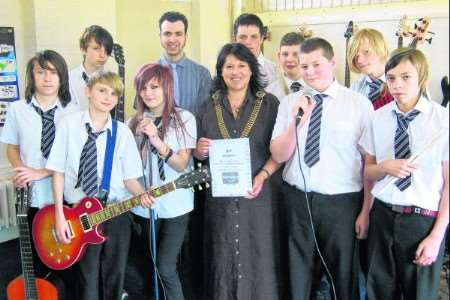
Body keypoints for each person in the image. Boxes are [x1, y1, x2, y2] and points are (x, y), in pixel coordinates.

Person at [270, 37, 374, 300]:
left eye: (316, 64)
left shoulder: (358, 104)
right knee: (297, 274)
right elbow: (279, 154)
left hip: (341, 204)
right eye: (304, 66)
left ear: (332, 63)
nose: (310, 72)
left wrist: (365, 210)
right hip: (297, 199)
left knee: (343, 276)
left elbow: (368, 163)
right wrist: (297, 121)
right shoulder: (290, 103)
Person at [46, 71, 153, 300]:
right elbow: (58, 172)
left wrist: (143, 195)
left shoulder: (122, 132)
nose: (108, 97)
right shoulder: (68, 126)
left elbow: (130, 179)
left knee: (116, 274)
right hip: (77, 214)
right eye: (102, 90)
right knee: (87, 277)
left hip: (116, 212)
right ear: (88, 92)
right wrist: (59, 215)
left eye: (113, 93)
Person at [359, 48, 449, 300]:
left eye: (406, 77)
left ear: (421, 77)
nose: (397, 85)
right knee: (378, 291)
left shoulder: (442, 121)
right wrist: (386, 167)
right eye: (391, 78)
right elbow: (368, 171)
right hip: (382, 216)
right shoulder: (377, 118)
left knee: (419, 294)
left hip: (422, 221)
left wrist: (436, 236)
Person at [194, 43, 282, 300]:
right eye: (229, 66)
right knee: (222, 256)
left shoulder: (270, 105)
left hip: (260, 197)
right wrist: (200, 150)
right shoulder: (207, 106)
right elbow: (198, 155)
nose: (236, 72)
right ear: (220, 72)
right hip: (219, 200)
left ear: (252, 70)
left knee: (260, 254)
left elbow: (280, 153)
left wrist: (263, 175)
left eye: (242, 65)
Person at [0, 50, 76, 297]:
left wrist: (38, 172)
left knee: (67, 256)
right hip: (30, 196)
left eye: (53, 72)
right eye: (40, 71)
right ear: (32, 77)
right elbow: (12, 147)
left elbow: (72, 158)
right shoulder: (17, 109)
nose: (47, 78)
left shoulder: (73, 111)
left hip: (65, 196)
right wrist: (21, 169)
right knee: (37, 255)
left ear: (61, 78)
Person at [126, 63, 197, 300]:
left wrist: (157, 141)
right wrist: (140, 142)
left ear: (167, 87)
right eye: (143, 88)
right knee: (151, 265)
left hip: (177, 202)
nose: (149, 93)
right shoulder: (133, 122)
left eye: (154, 87)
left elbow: (180, 164)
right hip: (146, 204)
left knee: (166, 266)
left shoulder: (184, 118)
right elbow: (132, 168)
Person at [157, 11, 212, 116]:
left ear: (186, 37)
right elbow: (142, 112)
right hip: (156, 132)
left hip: (194, 132)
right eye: (167, 33)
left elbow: (207, 114)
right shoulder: (147, 73)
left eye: (178, 34)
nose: (172, 39)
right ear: (160, 36)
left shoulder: (202, 74)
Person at [69, 25, 114, 109]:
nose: (103, 55)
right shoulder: (68, 79)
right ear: (83, 49)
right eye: (96, 48)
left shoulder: (113, 79)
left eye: (107, 50)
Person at [348, 28, 394, 110]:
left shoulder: (400, 83)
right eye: (356, 56)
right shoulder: (355, 88)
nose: (359, 60)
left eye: (366, 52)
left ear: (381, 49)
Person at [233, 13, 277, 87]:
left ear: (262, 39)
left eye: (253, 37)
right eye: (242, 37)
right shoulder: (225, 72)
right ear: (234, 39)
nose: (248, 42)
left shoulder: (276, 72)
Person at [266, 32, 305, 101]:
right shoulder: (269, 93)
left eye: (296, 54)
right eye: (285, 54)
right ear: (279, 56)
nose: (289, 59)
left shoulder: (318, 89)